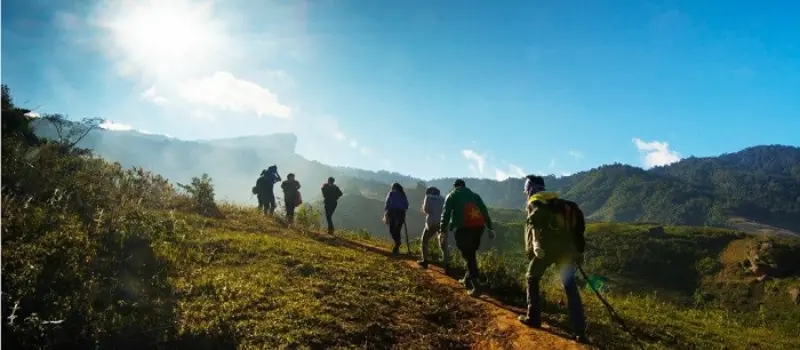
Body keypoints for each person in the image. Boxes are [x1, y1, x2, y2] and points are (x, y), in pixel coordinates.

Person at [518, 175, 588, 344]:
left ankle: (533, 317)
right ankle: (580, 332)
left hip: (546, 249)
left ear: (530, 188)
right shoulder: (561, 203)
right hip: (566, 250)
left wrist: (535, 244)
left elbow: (534, 222)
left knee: (531, 277)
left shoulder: (536, 201)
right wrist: (579, 252)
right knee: (570, 287)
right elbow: (578, 229)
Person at [440, 179, 494, 297]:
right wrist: (490, 228)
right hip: (478, 228)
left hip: (463, 228)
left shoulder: (452, 195)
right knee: (470, 254)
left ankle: (476, 287)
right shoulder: (475, 195)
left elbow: (446, 213)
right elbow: (485, 212)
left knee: (468, 255)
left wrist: (443, 229)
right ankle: (467, 279)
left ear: (455, 187)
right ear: (464, 186)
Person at [417, 186, 449, 271]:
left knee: (424, 240)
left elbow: (426, 210)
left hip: (432, 223)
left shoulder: (428, 197)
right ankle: (447, 265)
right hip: (442, 223)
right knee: (443, 244)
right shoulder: (443, 198)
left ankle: (425, 261)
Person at [383, 182, 409, 257]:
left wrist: (386, 212)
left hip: (393, 212)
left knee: (392, 229)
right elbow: (406, 205)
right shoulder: (403, 194)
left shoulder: (391, 193)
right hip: (401, 213)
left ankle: (397, 243)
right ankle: (397, 247)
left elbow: (387, 203)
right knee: (398, 230)